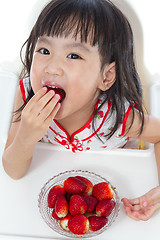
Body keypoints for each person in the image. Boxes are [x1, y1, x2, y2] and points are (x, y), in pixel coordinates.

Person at [2, 0, 160, 221]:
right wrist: (26, 136)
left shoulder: (118, 117)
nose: (52, 67)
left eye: (73, 55)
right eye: (44, 50)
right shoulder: (28, 95)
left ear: (106, 76)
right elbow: (13, 171)